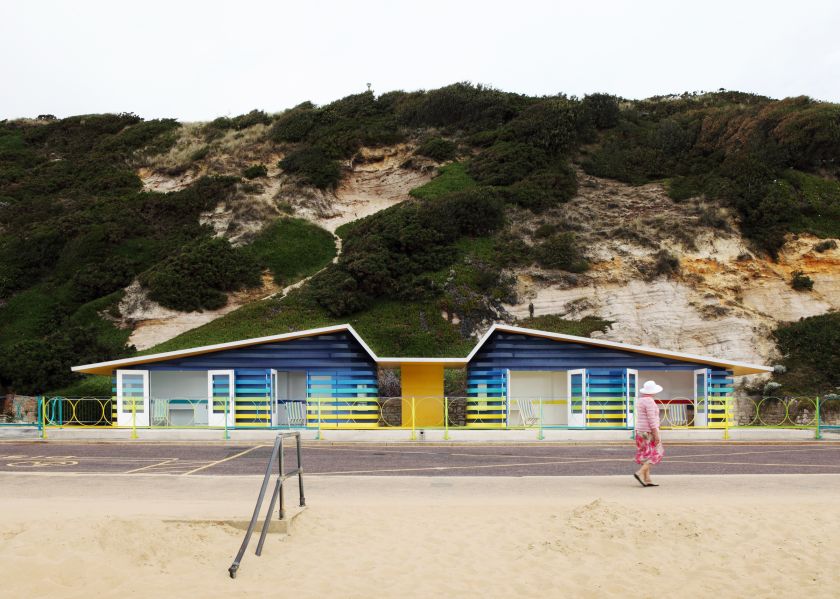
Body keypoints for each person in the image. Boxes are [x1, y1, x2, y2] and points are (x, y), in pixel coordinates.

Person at [634, 380, 664, 487]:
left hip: (639, 431)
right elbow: (652, 419)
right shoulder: (650, 402)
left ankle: (647, 479)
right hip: (648, 432)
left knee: (645, 455)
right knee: (658, 452)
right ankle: (640, 472)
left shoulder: (640, 401)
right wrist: (656, 434)